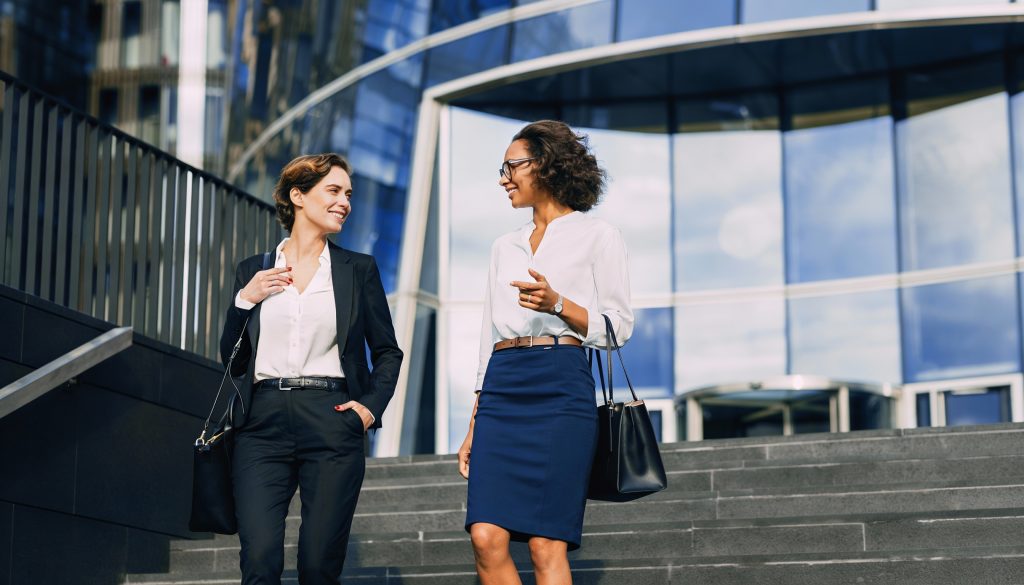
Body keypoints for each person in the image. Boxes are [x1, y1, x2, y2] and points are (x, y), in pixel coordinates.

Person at [458, 120, 635, 584]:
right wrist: (475, 420)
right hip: (503, 386)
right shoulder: (503, 246)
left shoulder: (599, 236)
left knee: (545, 544)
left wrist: (559, 304)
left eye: (511, 166)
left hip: (561, 383)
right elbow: (486, 334)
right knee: (485, 537)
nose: (503, 178)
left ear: (546, 165)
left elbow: (617, 328)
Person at [218, 153, 403, 585]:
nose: (345, 203)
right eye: (334, 191)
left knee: (319, 565)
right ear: (297, 196)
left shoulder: (358, 269)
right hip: (261, 423)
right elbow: (233, 360)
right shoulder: (254, 269)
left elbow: (387, 351)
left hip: (332, 416)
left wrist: (367, 409)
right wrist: (243, 301)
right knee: (260, 562)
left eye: (349, 194)